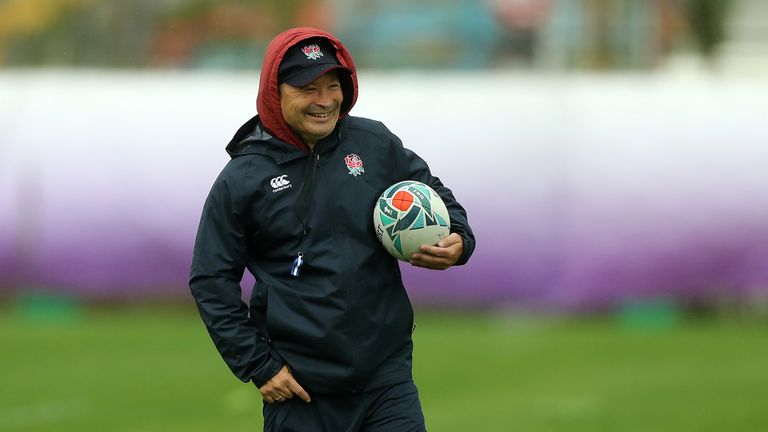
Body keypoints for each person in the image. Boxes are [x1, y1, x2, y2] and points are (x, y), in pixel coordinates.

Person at [189, 27, 475, 432]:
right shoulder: (243, 178)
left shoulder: (373, 143)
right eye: (308, 87)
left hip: (386, 383)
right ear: (276, 91)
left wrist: (459, 240)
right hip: (301, 392)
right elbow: (210, 279)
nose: (324, 100)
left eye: (332, 85)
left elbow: (434, 193)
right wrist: (259, 366)